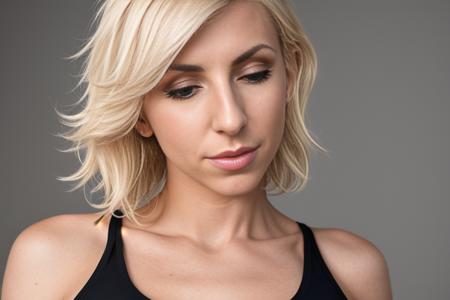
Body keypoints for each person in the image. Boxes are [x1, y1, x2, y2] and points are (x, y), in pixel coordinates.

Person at [2, 0, 393, 299]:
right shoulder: (54, 259)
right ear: (140, 114)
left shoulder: (353, 271)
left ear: (289, 77)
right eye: (184, 89)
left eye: (255, 75)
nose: (230, 118)